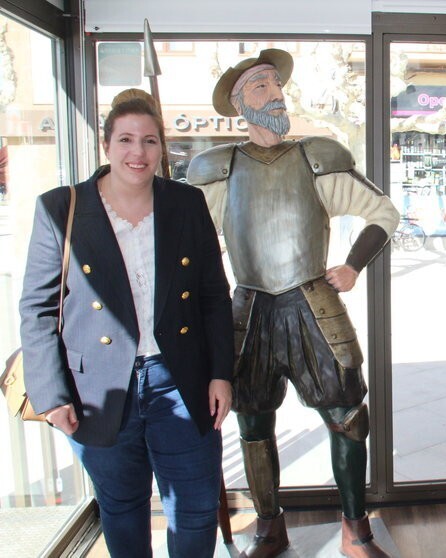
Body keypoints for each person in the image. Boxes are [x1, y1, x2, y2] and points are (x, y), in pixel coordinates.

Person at [186, 49, 399, 558]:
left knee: (349, 417)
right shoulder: (219, 169)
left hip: (314, 306)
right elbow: (187, 238)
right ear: (239, 104)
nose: (275, 93)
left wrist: (353, 265)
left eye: (276, 84)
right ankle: (269, 527)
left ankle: (355, 529)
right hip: (250, 310)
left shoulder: (315, 158)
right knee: (253, 425)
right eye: (260, 86)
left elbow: (383, 212)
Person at [19, 89, 234, 557]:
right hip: (96, 388)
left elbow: (214, 296)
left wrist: (221, 373)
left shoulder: (187, 203)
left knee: (197, 510)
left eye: (150, 141)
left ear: (162, 147)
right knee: (121, 508)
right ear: (106, 144)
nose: (138, 152)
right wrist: (51, 395)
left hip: (180, 380)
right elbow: (37, 308)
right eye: (126, 140)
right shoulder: (61, 208)